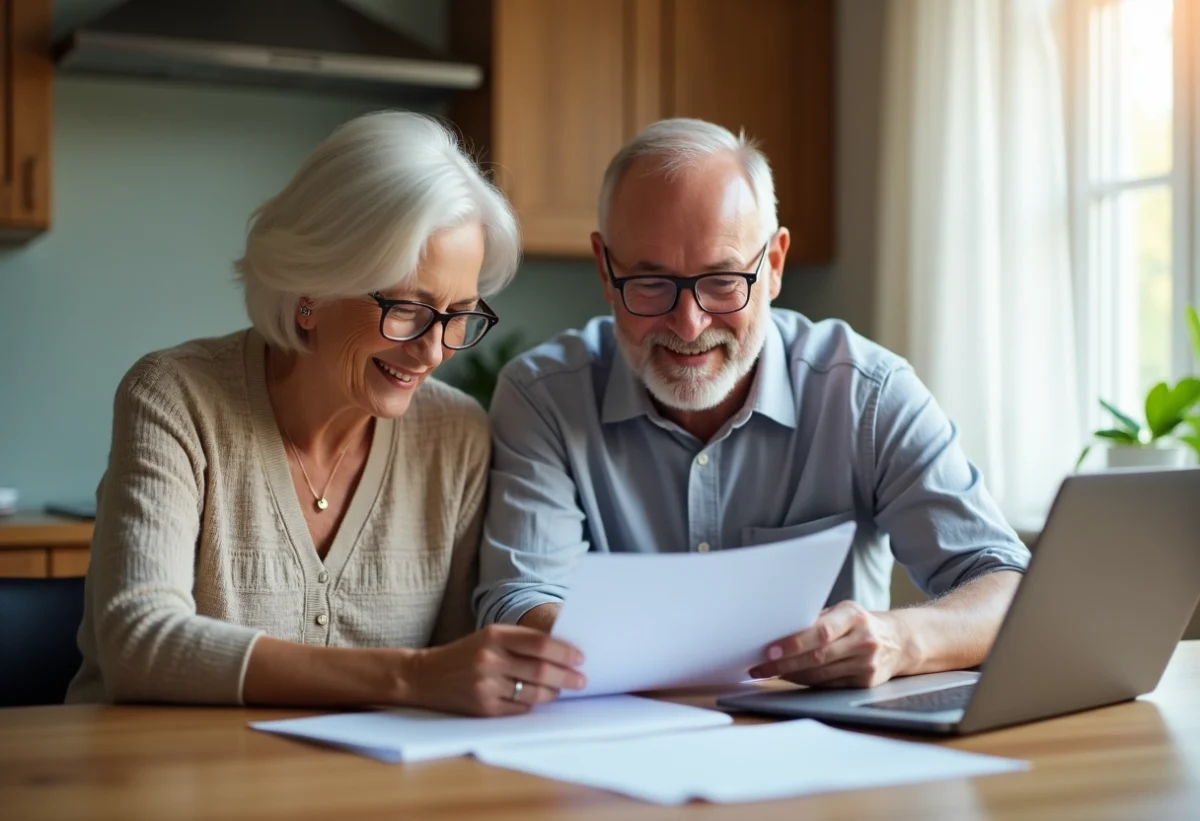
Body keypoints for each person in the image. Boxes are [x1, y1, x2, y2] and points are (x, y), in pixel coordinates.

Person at [476, 118, 1030, 689]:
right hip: (614, 745)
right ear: (604, 268)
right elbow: (520, 600)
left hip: (832, 755)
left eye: (721, 280)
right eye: (650, 283)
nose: (688, 325)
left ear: (774, 265)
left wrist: (901, 640)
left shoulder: (867, 392)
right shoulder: (543, 396)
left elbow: (1008, 585)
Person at [66, 112, 584, 715]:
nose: (433, 349)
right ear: (311, 291)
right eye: (408, 309)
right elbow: (139, 642)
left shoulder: (455, 435)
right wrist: (409, 677)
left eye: (458, 313)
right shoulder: (176, 398)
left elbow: (456, 674)